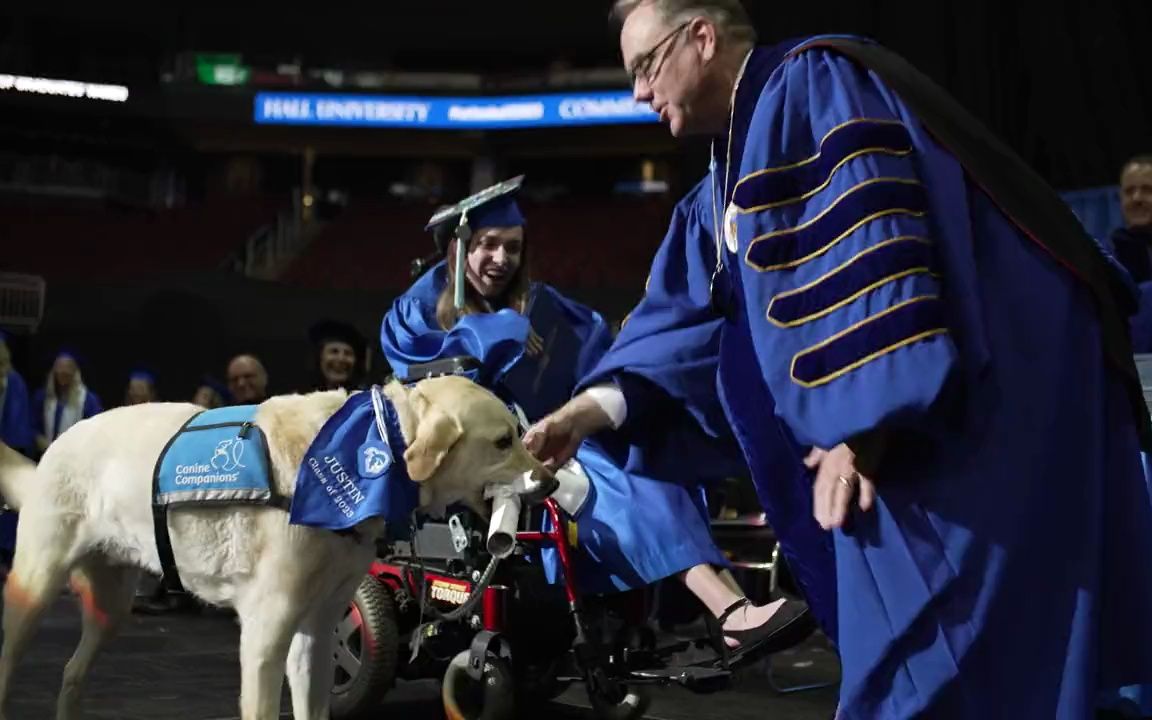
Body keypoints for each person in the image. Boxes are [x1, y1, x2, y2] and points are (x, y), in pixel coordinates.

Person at [522, 2, 1152, 717]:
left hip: (956, 441)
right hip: (886, 457)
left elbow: (873, 246)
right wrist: (584, 412)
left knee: (952, 667)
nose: (637, 90)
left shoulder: (815, 86)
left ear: (701, 36)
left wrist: (863, 424)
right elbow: (684, 321)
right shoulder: (726, 180)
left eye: (645, 66)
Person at [381, 178, 813, 665]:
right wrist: (503, 338)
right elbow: (429, 385)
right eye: (487, 245)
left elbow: (590, 351)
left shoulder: (540, 304)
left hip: (553, 436)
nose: (501, 259)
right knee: (614, 477)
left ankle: (727, 608)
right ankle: (729, 610)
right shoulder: (417, 310)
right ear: (459, 249)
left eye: (512, 247)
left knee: (642, 455)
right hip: (488, 459)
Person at [32, 350, 102, 454]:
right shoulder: (42, 396)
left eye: (68, 367)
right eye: (59, 366)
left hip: (75, 457)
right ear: (54, 370)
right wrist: (40, 440)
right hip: (45, 455)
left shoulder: (89, 400)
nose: (63, 371)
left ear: (75, 371)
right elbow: (32, 426)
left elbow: (95, 432)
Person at [306, 320, 368, 391]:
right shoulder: (303, 400)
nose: (341, 359)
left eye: (348, 353)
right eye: (334, 351)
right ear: (320, 358)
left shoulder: (365, 400)